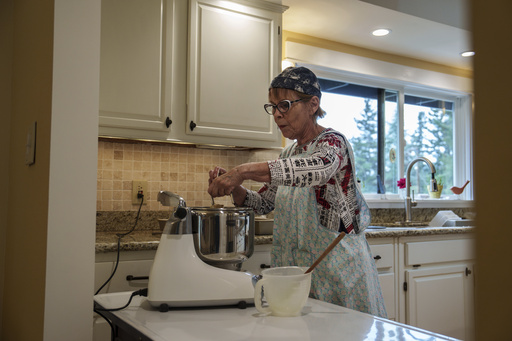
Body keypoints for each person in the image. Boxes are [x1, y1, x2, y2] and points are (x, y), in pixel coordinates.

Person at [208, 66, 386, 318]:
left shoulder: (333, 143)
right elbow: (262, 204)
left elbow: (315, 169)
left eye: (285, 105)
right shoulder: (288, 154)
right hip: (297, 276)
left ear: (313, 104)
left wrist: (242, 171)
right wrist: (235, 188)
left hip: (338, 274)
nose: (277, 115)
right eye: (273, 107)